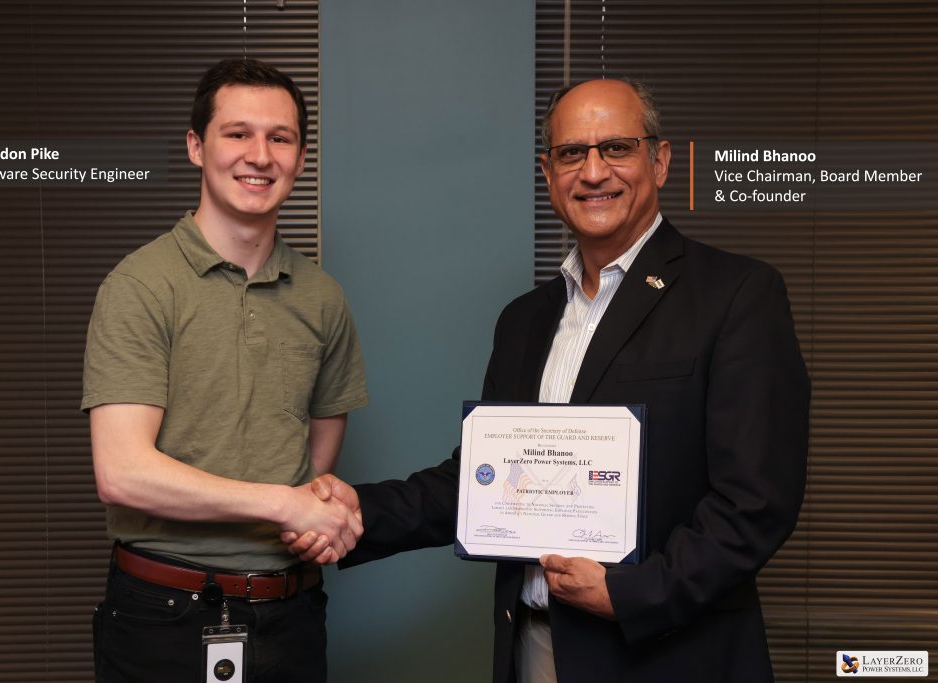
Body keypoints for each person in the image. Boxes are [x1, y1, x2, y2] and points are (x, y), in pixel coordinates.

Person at [287, 79, 809, 682]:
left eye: (616, 147)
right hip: (532, 650)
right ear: (548, 171)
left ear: (660, 161)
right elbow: (484, 482)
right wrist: (361, 511)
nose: (593, 172)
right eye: (571, 153)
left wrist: (634, 592)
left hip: (668, 657)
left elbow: (756, 501)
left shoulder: (737, 295)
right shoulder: (525, 320)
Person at [82, 58, 368, 683]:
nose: (259, 155)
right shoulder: (140, 286)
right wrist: (287, 506)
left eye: (280, 137)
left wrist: (313, 510)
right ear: (196, 146)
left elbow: (315, 465)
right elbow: (123, 473)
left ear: (299, 155)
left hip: (291, 615)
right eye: (237, 133)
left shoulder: (323, 299)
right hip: (163, 616)